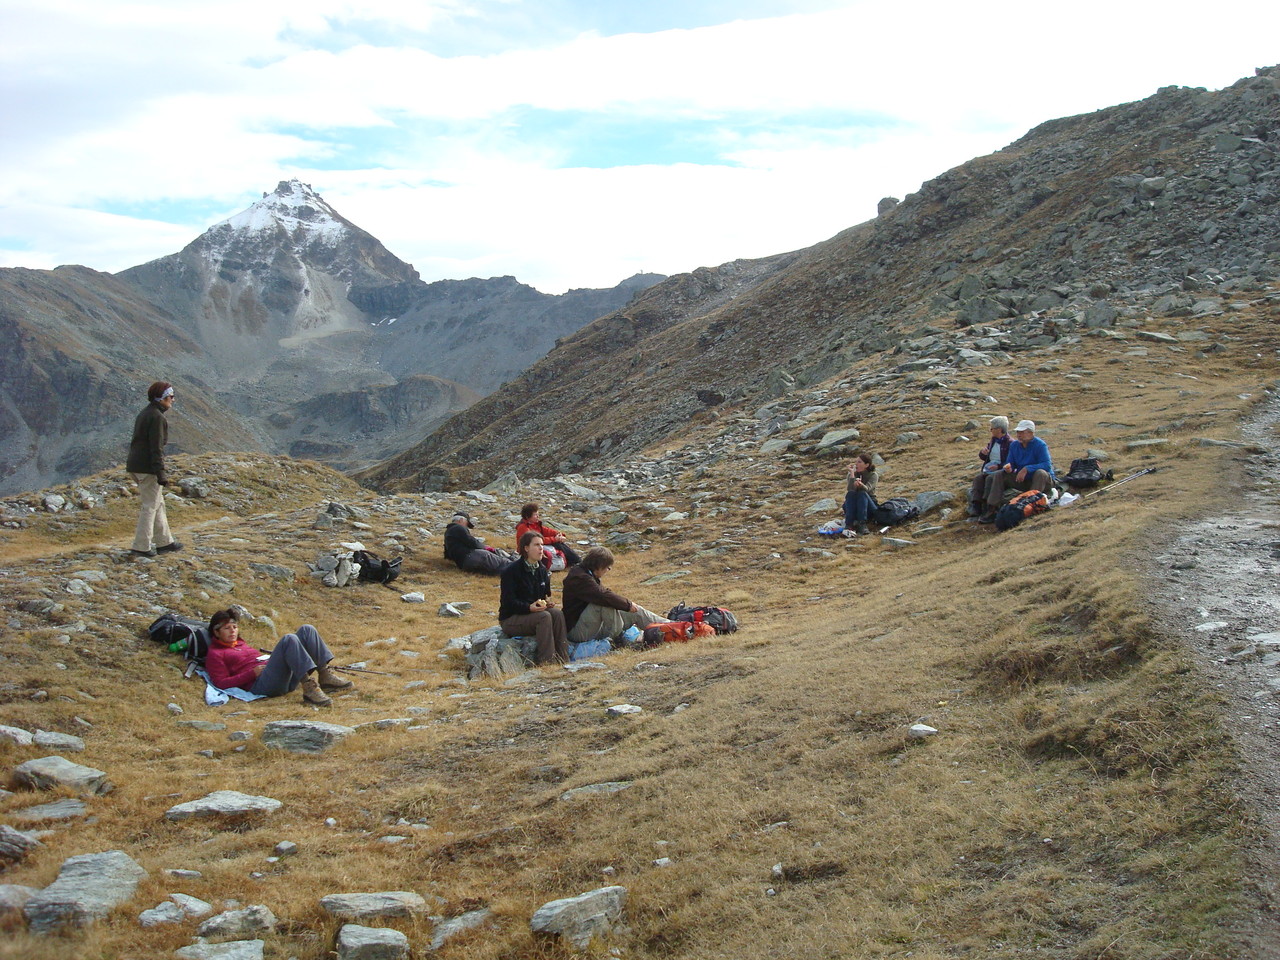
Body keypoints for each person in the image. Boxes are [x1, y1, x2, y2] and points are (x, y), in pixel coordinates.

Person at [203, 609, 353, 707]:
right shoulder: (216, 654)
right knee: (289, 639)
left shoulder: (240, 643)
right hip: (261, 684)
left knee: (307, 630)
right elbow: (220, 683)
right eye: (227, 628)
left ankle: (325, 675)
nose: (232, 631)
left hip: (276, 675)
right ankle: (309, 688)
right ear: (216, 632)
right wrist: (251, 674)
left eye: (234, 627)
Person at [562, 547, 669, 644]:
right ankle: (615, 639)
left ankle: (669, 626)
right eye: (607, 567)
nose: (607, 570)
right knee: (605, 605)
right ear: (599, 566)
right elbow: (602, 596)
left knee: (636, 611)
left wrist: (629, 605)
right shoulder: (579, 578)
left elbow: (604, 593)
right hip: (577, 632)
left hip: (590, 625)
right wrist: (627, 605)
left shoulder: (586, 574)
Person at [127, 381, 182, 558]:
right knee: (150, 506)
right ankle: (140, 546)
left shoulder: (146, 413)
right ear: (162, 398)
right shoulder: (157, 417)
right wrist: (161, 473)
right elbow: (156, 448)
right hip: (147, 468)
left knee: (158, 503)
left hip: (136, 465)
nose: (173, 400)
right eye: (171, 397)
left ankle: (165, 542)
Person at [498, 532, 569, 665]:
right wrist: (528, 607)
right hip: (511, 619)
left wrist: (546, 604)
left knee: (557, 614)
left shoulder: (542, 570)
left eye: (542, 545)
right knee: (544, 617)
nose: (541, 548)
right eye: (537, 545)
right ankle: (547, 662)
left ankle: (563, 659)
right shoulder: (511, 571)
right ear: (526, 548)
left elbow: (541, 597)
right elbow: (508, 602)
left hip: (532, 614)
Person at [980, 419, 1055, 523]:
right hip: (1023, 480)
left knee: (1040, 473)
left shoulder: (1040, 445)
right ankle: (992, 508)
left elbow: (1046, 465)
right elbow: (1011, 463)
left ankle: (1031, 505)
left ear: (1031, 433)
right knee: (999, 474)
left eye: (1022, 432)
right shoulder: (1015, 445)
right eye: (1018, 432)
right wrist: (1008, 468)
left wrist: (1027, 469)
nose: (1019, 435)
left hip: (1042, 481)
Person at [515, 502, 581, 570]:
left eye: (538, 514)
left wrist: (558, 534)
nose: (538, 516)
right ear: (527, 516)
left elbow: (547, 531)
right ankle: (576, 561)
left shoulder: (534, 524)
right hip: (527, 551)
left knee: (559, 544)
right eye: (535, 515)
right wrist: (555, 539)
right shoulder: (523, 528)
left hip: (535, 546)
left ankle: (575, 561)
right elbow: (536, 541)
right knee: (557, 544)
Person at [969, 416, 1013, 517]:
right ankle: (976, 505)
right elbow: (984, 457)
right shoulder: (993, 440)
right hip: (989, 469)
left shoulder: (1010, 443)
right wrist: (983, 453)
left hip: (1002, 471)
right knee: (978, 478)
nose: (990, 430)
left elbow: (1011, 461)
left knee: (989, 479)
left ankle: (988, 505)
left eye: (992, 428)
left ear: (999, 429)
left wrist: (998, 466)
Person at [443, 512, 510, 574]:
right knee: (503, 563)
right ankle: (517, 567)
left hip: (464, 564)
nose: (466, 526)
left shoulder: (448, 532)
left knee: (495, 570)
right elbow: (472, 542)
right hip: (473, 556)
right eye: (466, 523)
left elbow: (447, 554)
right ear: (461, 520)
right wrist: (485, 548)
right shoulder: (459, 527)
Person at [842, 452, 879, 536]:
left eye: (859, 462)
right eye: (856, 462)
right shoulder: (852, 474)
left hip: (869, 506)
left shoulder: (873, 475)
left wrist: (861, 485)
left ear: (866, 465)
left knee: (862, 493)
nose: (856, 464)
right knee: (851, 493)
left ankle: (862, 524)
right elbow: (850, 489)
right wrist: (852, 474)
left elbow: (868, 489)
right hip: (855, 505)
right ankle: (849, 524)